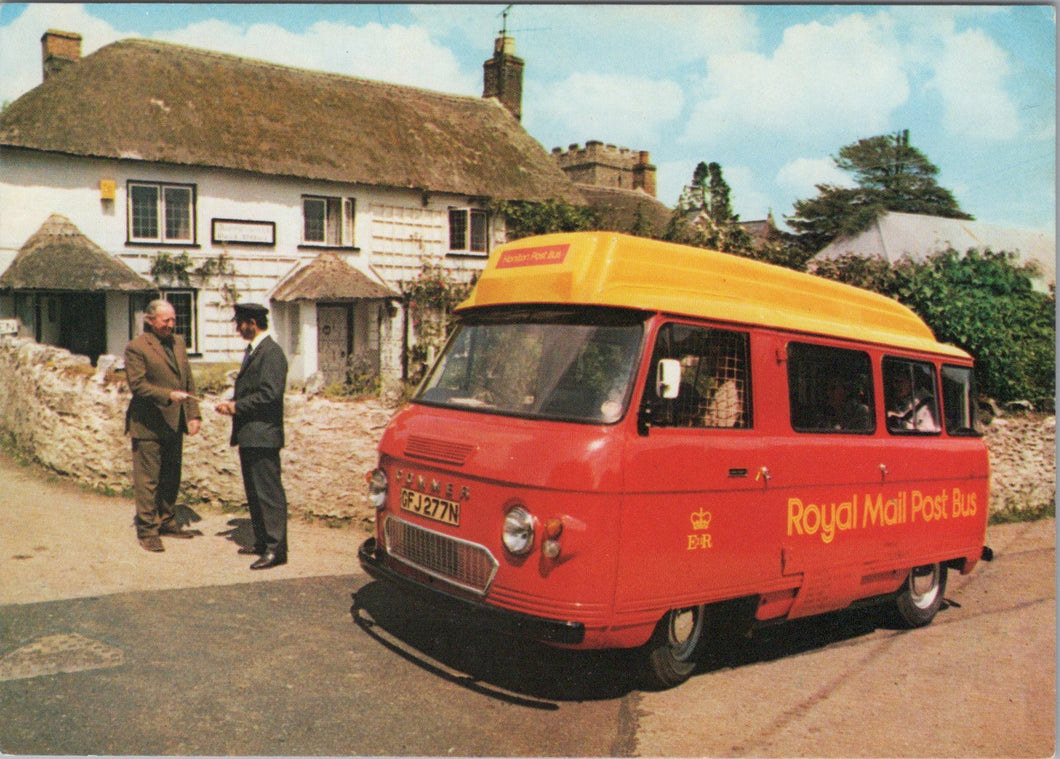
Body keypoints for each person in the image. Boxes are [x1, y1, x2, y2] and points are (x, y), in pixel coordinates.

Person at [215, 303, 289, 570]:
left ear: (252, 323)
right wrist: (231, 403)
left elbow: (270, 394)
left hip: (263, 434)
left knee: (268, 494)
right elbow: (254, 390)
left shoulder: (271, 353)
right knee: (255, 493)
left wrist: (237, 407)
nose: (238, 329)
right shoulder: (255, 351)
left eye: (240, 324)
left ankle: (275, 549)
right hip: (250, 434)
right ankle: (262, 542)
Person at [124, 299, 202, 552]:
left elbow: (187, 379)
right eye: (165, 320)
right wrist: (167, 395)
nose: (170, 325)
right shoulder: (136, 348)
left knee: (171, 477)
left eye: (173, 320)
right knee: (148, 480)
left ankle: (167, 521)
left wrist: (193, 414)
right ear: (150, 320)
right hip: (147, 423)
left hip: (174, 421)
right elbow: (138, 385)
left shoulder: (178, 343)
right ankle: (147, 530)